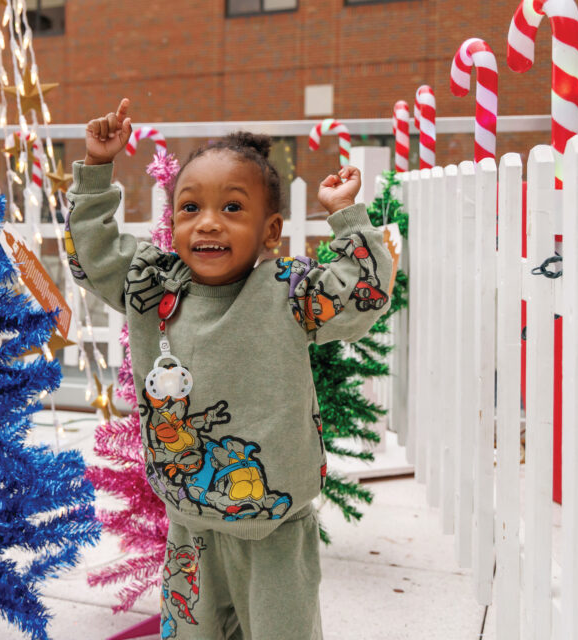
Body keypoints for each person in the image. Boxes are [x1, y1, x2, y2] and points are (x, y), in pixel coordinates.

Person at [65, 98, 394, 640]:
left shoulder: (288, 291)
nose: (208, 223)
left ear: (270, 232)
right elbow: (91, 254)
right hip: (189, 526)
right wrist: (98, 169)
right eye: (190, 208)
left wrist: (345, 214)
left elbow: (364, 295)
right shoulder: (153, 286)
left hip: (275, 530)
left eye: (233, 209)